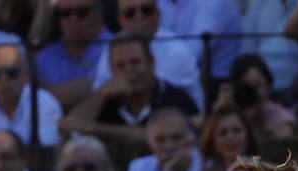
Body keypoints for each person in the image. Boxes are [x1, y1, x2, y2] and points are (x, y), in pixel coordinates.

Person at [58, 30, 196, 148]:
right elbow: (71, 126)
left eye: (135, 62)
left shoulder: (177, 99)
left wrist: (95, 129)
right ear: (112, 70)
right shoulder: (107, 100)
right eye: (121, 66)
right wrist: (100, 94)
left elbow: (154, 136)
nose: (129, 70)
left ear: (151, 63)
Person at [90, 0, 201, 108]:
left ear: (158, 15)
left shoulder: (176, 52)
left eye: (146, 10)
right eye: (130, 13)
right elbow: (100, 91)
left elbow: (141, 93)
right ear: (120, 19)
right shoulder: (115, 47)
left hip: (179, 119)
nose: (139, 16)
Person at [0, 43, 62, 149]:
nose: (3, 80)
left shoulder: (43, 103)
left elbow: (45, 149)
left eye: (11, 73)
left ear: (24, 75)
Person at [27, 0, 112, 112]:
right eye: (66, 13)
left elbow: (98, 89)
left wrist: (44, 93)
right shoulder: (46, 55)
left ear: (99, 14)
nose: (73, 19)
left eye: (81, 12)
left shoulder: (116, 48)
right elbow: (27, 95)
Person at [118, 103, 199, 171]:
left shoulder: (205, 165)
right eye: (160, 140)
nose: (169, 146)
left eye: (176, 138)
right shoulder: (139, 168)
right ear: (150, 143)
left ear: (191, 138)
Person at [218, 53, 294, 145]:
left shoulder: (281, 118)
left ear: (268, 86)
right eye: (246, 85)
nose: (251, 91)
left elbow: (280, 155)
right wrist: (221, 113)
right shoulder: (225, 111)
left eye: (257, 85)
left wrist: (251, 122)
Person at [192, 101, 254, 171]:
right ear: (212, 141)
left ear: (248, 136)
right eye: (223, 132)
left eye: (236, 130)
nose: (230, 137)